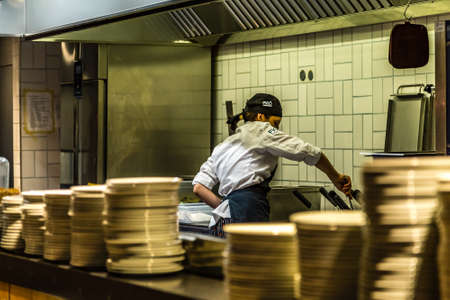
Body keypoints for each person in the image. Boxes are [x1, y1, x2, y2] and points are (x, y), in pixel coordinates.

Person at [192, 93, 352, 237]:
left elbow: (198, 187)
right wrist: (335, 176)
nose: (276, 128)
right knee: (256, 267)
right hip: (249, 212)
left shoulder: (223, 145)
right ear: (261, 117)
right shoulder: (262, 131)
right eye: (276, 122)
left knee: (234, 267)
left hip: (222, 221)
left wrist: (226, 208)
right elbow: (309, 152)